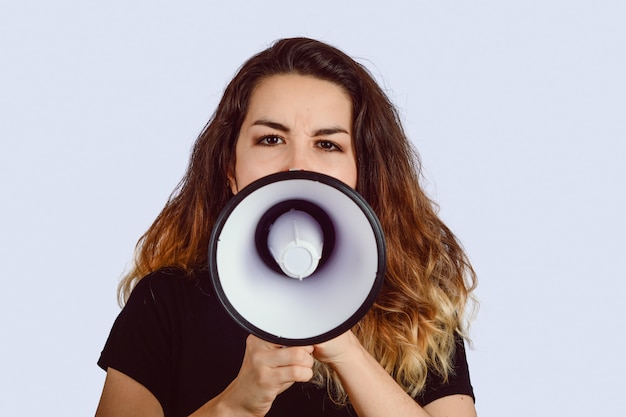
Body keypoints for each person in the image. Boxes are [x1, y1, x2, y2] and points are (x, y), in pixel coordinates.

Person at [95, 37, 478, 417]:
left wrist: (343, 347)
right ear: (231, 169)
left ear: (361, 172)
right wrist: (234, 406)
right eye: (271, 139)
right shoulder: (164, 302)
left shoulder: (416, 309)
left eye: (327, 145)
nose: (297, 165)